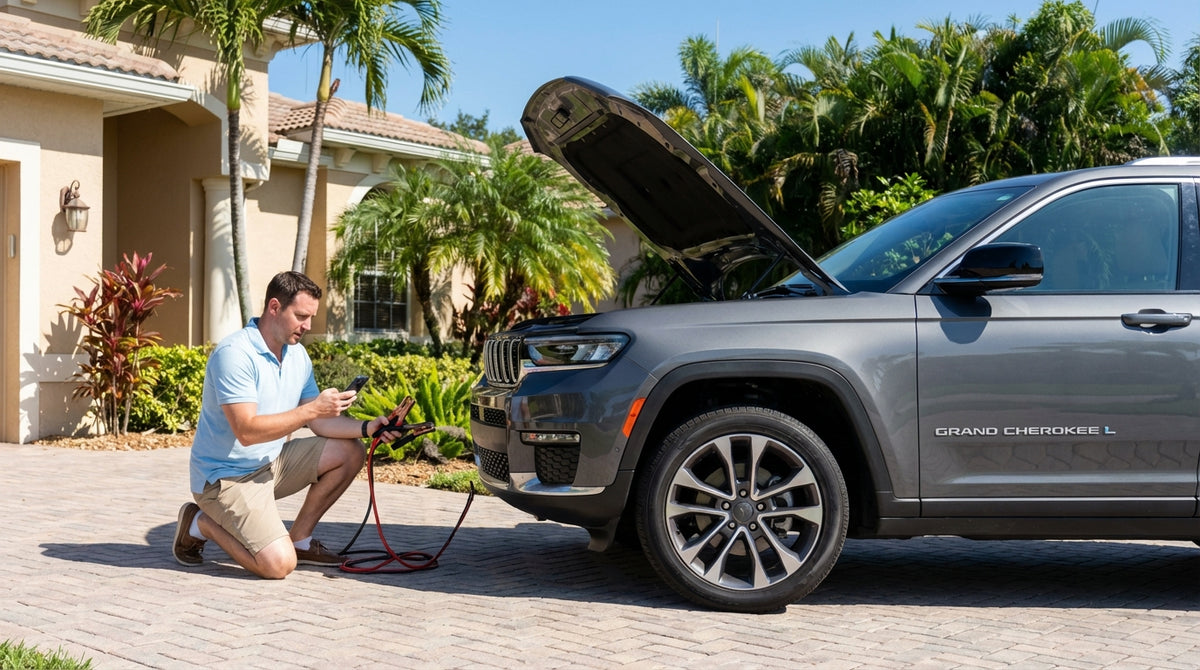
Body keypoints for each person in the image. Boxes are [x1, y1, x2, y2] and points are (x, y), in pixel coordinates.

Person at [172, 271, 399, 578]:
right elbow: (247, 431)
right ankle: (202, 522)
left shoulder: (297, 356)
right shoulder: (235, 355)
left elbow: (320, 423)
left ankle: (300, 540)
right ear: (275, 308)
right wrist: (312, 411)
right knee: (277, 566)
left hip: (270, 465)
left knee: (350, 452)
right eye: (301, 316)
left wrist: (370, 427)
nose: (307, 326)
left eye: (311, 318)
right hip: (224, 480)